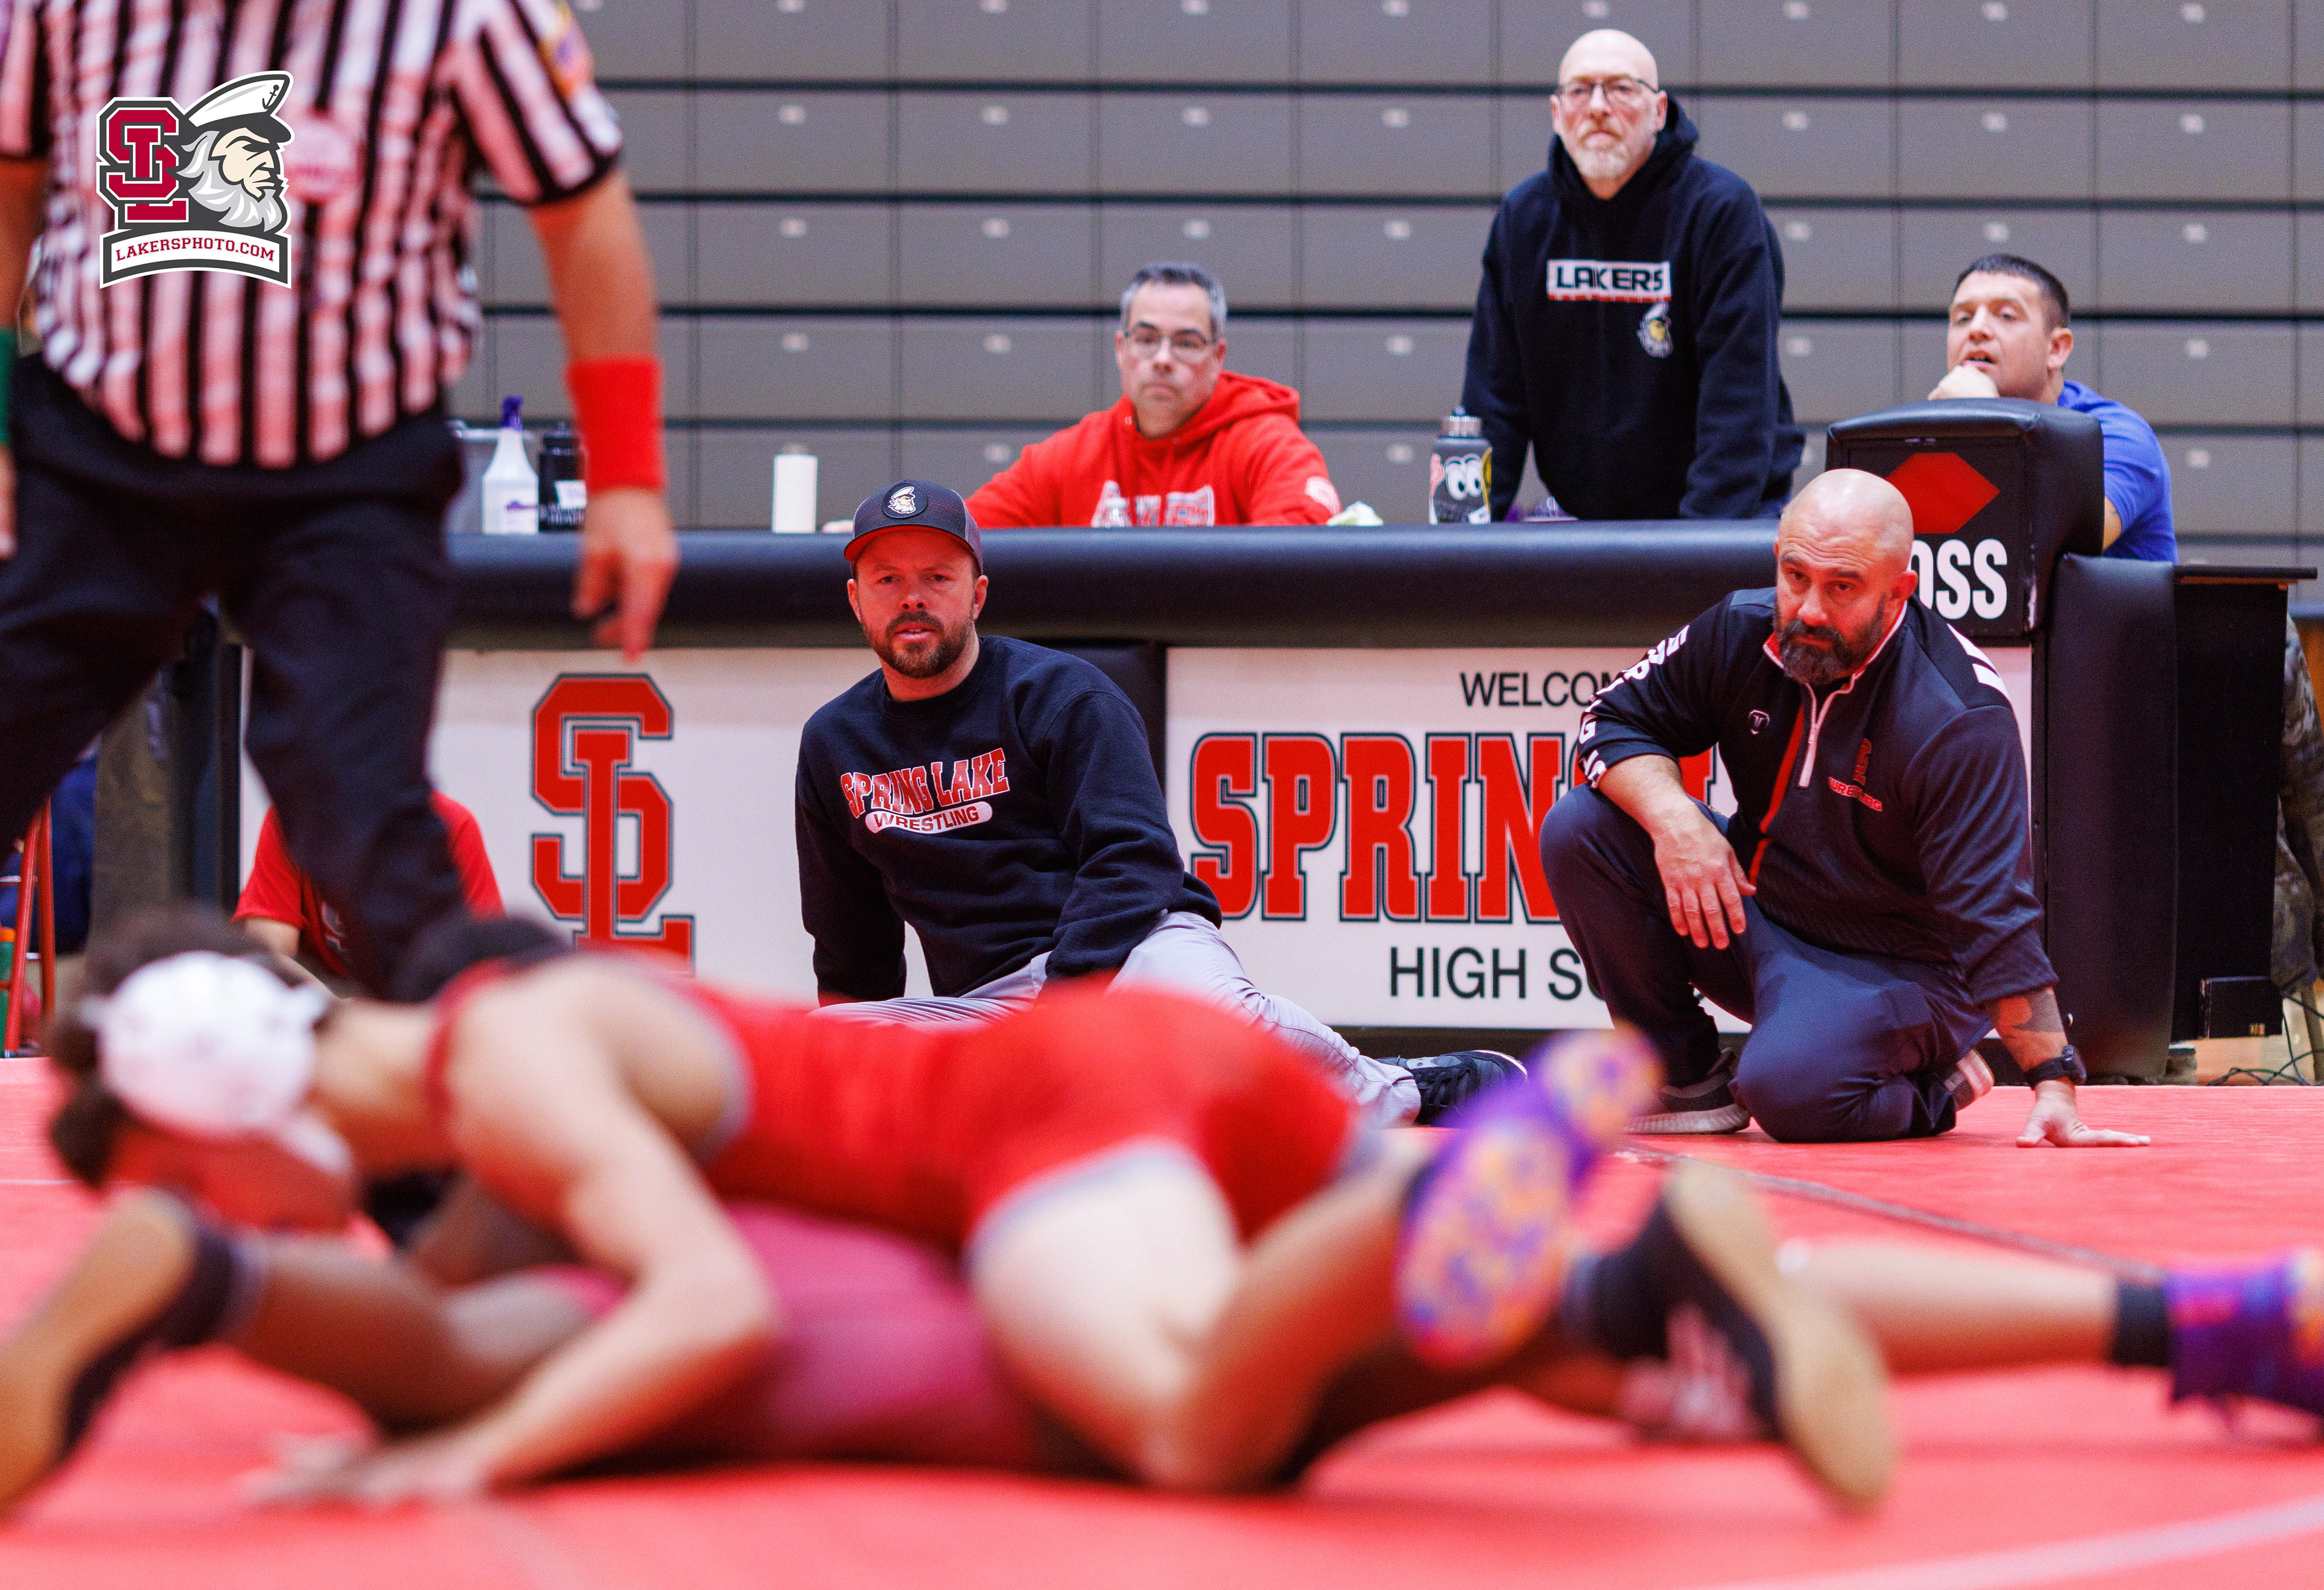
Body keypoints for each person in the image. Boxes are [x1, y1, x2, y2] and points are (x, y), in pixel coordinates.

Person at [8, 910, 2321, 1514]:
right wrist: (359, 1360)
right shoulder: (503, 1046)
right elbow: (451, 1305)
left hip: (1045, 1119)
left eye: (183, 1177)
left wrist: (466, 1457)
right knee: (1600, 1331)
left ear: (215, 1101)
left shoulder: (509, 1069)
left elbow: (696, 1300)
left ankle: (1481, 1186)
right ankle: (2221, 1321)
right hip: (1168, 1082)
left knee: (1196, 1415)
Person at [0, 0, 679, 993]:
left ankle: (476, 1065)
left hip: (344, 474)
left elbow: (583, 210)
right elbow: (12, 188)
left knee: (360, 813)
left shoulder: (468, 15)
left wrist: (624, 476)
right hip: (104, 452)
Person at [796, 479, 1512, 1127]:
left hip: (1134, 947)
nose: (912, 598)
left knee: (1214, 1022)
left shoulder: (1061, 694)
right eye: (888, 579)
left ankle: (1398, 1088)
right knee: (819, 1048)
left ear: (977, 594)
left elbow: (1132, 862)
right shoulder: (834, 741)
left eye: (936, 577)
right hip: (989, 1002)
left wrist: (1062, 1011)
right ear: (856, 599)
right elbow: (850, 940)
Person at [1541, 468, 2148, 1148]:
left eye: (1842, 587)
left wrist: (2053, 1081)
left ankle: (1937, 1087)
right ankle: (1685, 1078)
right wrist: (1676, 819)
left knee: (1785, 1089)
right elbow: (1612, 719)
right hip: (1760, 915)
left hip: (1904, 970)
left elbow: (1995, 919)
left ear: (1900, 592)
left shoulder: (1957, 715)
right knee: (1581, 829)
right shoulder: (1739, 628)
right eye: (1795, 576)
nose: (1809, 610)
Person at [1461, 28, 1800, 523]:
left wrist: (1697, 549)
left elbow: (1738, 407)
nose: (1598, 107)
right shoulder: (1523, 219)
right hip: (1589, 517)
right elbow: (1494, 401)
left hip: (1726, 511)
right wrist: (1464, 540)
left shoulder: (1721, 212)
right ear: (1556, 113)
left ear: (1659, 112)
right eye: (1580, 90)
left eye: (1621, 88)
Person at [965, 263, 1342, 528]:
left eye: (1187, 343)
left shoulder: (1266, 442)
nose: (1163, 359)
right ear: (1121, 349)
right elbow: (961, 537)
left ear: (1218, 357)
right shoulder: (1073, 455)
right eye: (1146, 340)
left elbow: (1303, 544)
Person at [1926, 254, 2175, 561]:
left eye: (2006, 316)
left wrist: (1985, 419)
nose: (1976, 330)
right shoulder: (1929, 438)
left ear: (2056, 349)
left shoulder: (2117, 436)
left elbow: (2065, 544)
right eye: (1963, 318)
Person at [237, 793, 504, 991]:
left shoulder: (451, 824)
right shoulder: (292, 819)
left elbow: (485, 964)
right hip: (323, 1001)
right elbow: (268, 955)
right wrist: (340, 1014)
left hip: (415, 1003)